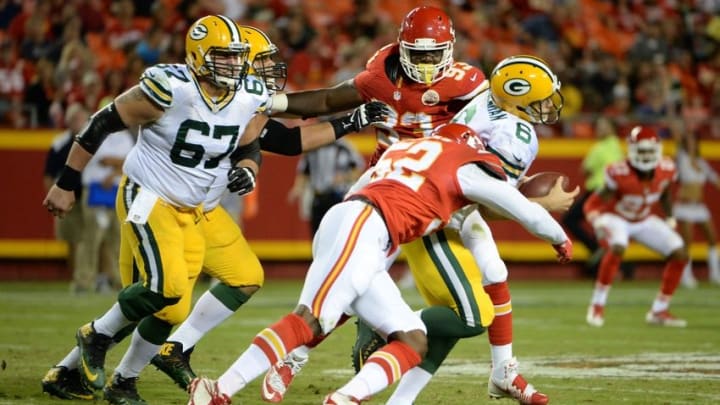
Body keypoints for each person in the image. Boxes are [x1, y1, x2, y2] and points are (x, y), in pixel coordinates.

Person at [40, 20, 388, 403]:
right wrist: (67, 181)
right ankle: (102, 343)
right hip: (152, 198)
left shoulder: (247, 97)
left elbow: (264, 143)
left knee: (240, 278)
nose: (247, 69)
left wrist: (251, 167)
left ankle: (122, 365)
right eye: (232, 58)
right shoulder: (172, 88)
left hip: (200, 209)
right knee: (165, 297)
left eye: (241, 59)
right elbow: (103, 121)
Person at [263, 8, 574, 403]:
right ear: (402, 47)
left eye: (434, 55)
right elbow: (326, 99)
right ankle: (295, 355)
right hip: (387, 179)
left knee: (494, 268)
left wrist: (517, 184)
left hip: (444, 184)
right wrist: (271, 104)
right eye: (419, 55)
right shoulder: (381, 73)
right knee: (347, 275)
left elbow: (484, 146)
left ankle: (504, 370)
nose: (427, 65)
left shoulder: (472, 87)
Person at [187, 123, 573, 405]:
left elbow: (360, 190)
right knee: (310, 319)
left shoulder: (403, 150)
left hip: (358, 223)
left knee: (412, 338)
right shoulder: (466, 162)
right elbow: (522, 208)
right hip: (367, 228)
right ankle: (217, 391)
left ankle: (345, 399)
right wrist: (559, 238)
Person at [584, 126, 689, 328]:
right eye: (641, 151)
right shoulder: (619, 172)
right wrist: (596, 221)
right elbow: (592, 204)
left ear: (658, 151)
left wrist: (670, 217)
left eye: (650, 151)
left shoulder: (667, 169)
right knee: (619, 246)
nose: (646, 156)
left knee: (680, 253)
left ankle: (659, 310)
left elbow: (665, 194)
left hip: (643, 219)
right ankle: (597, 305)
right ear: (632, 151)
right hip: (617, 217)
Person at [561, 117, 624, 277]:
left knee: (570, 219)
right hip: (610, 193)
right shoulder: (616, 146)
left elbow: (585, 170)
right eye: (599, 126)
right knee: (602, 228)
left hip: (597, 192)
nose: (600, 129)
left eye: (604, 125)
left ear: (612, 128)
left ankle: (598, 251)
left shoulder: (600, 147)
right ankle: (614, 266)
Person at [76, 128, 135, 294]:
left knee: (119, 239)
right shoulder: (93, 131)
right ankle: (83, 281)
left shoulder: (124, 137)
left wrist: (114, 170)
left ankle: (118, 281)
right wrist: (120, 164)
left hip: (118, 190)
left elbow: (130, 162)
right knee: (91, 238)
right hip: (96, 190)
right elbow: (103, 160)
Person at [42, 103, 88, 295]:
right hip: (66, 198)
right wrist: (53, 196)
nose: (78, 122)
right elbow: (49, 174)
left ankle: (87, 277)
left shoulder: (92, 140)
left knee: (89, 239)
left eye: (80, 118)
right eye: (74, 119)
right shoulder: (59, 143)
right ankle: (75, 276)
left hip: (87, 195)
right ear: (68, 121)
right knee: (71, 240)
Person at [288, 138, 365, 236]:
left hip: (338, 196)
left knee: (337, 233)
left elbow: (358, 169)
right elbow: (304, 171)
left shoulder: (345, 147)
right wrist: (297, 188)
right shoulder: (313, 148)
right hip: (318, 196)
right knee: (317, 234)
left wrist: (344, 177)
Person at [673, 128, 720, 287]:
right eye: (688, 140)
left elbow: (715, 179)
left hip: (699, 207)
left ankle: (715, 274)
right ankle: (686, 275)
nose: (691, 143)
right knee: (687, 242)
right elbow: (677, 134)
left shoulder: (701, 162)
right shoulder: (682, 158)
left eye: (693, 140)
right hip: (685, 206)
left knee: (712, 238)